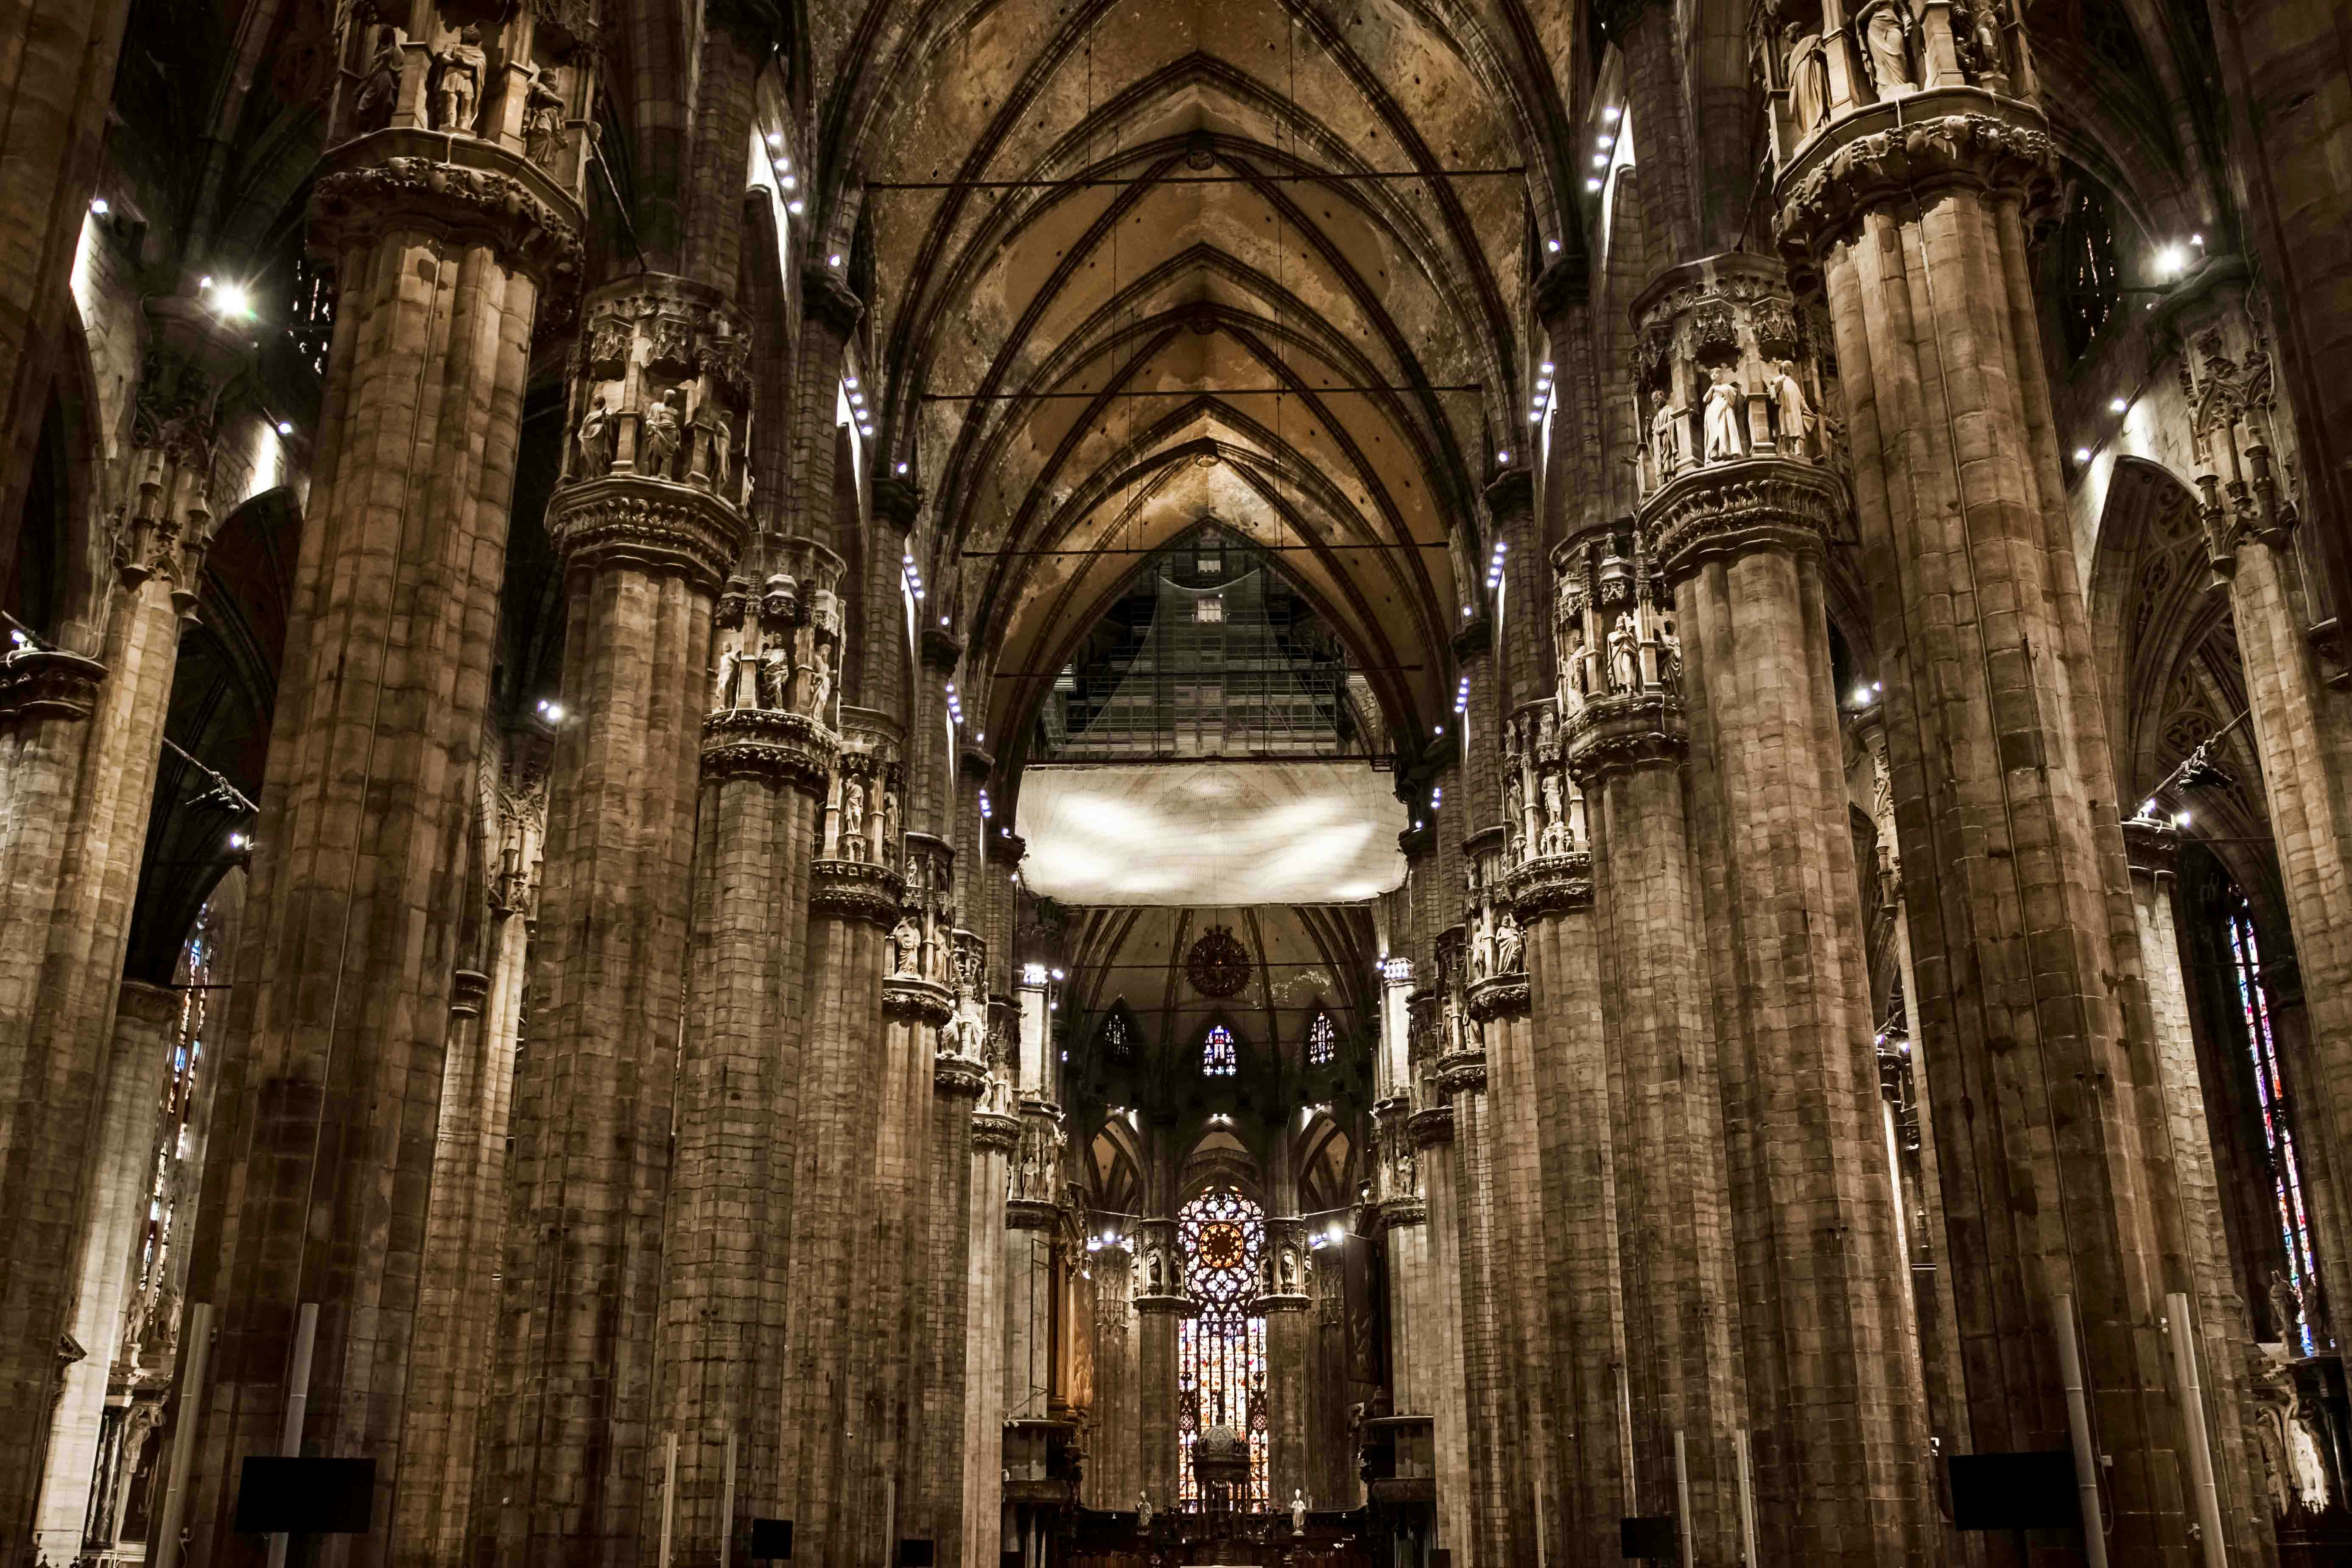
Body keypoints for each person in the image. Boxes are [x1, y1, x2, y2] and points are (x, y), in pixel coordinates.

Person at [431, 26, 485, 134]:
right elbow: (444, 58)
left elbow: (479, 64)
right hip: (453, 75)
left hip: (467, 78)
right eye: (468, 33)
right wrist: (454, 61)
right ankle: (450, 125)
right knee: (452, 99)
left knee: (467, 100)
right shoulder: (453, 46)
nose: (470, 34)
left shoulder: (479, 53)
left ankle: (464, 129)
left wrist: (464, 61)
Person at [1703, 365, 1745, 461]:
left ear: (1721, 376)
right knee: (1715, 432)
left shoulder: (1726, 387)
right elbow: (1705, 400)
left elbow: (1732, 395)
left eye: (1717, 373)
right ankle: (1715, 452)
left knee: (1724, 430)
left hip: (1724, 409)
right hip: (1713, 411)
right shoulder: (1712, 389)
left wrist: (1717, 389)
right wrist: (1712, 389)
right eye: (1712, 374)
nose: (1714, 375)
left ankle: (1726, 451)